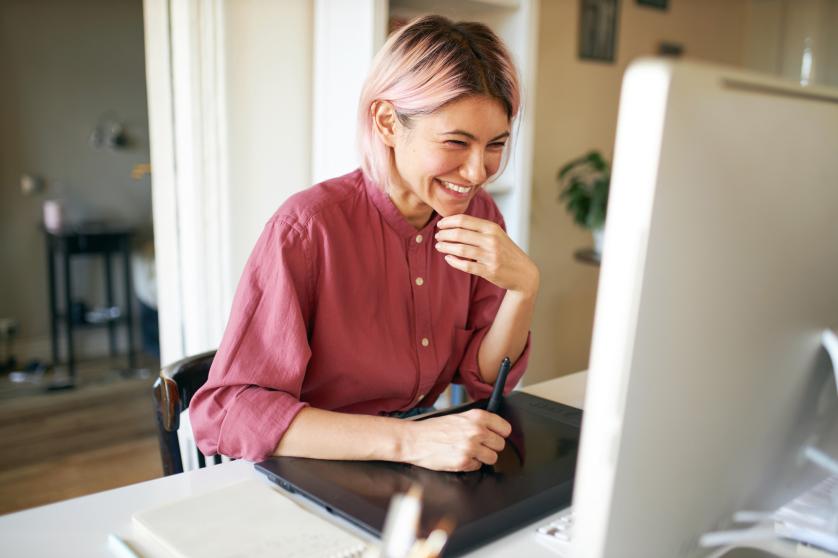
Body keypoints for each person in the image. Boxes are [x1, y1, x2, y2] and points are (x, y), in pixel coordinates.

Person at [190, 15, 540, 473]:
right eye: (456, 142)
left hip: (417, 463)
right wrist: (408, 441)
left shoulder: (479, 216)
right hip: (315, 466)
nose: (478, 172)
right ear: (388, 122)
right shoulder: (308, 229)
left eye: (496, 144)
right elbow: (228, 411)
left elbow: (485, 380)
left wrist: (524, 290)